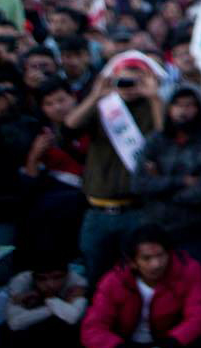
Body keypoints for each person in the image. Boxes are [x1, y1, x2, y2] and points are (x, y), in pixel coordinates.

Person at [65, 52, 164, 284]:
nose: (129, 86)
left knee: (137, 278)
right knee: (95, 276)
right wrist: (96, 95)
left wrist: (155, 98)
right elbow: (69, 127)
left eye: (136, 80)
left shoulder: (153, 107)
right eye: (124, 80)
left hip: (136, 211)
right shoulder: (104, 107)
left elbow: (164, 144)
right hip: (98, 211)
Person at [133, 84, 201, 311]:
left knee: (200, 298)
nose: (182, 111)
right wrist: (180, 181)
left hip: (196, 233)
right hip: (157, 232)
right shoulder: (156, 140)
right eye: (177, 105)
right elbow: (139, 184)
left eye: (189, 105)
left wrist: (160, 186)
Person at [3, 255, 89, 348]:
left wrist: (47, 299)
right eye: (42, 279)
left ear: (67, 274)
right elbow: (15, 323)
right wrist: (54, 303)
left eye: (57, 277)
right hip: (33, 334)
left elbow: (72, 317)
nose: (50, 284)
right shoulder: (21, 282)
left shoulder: (77, 282)